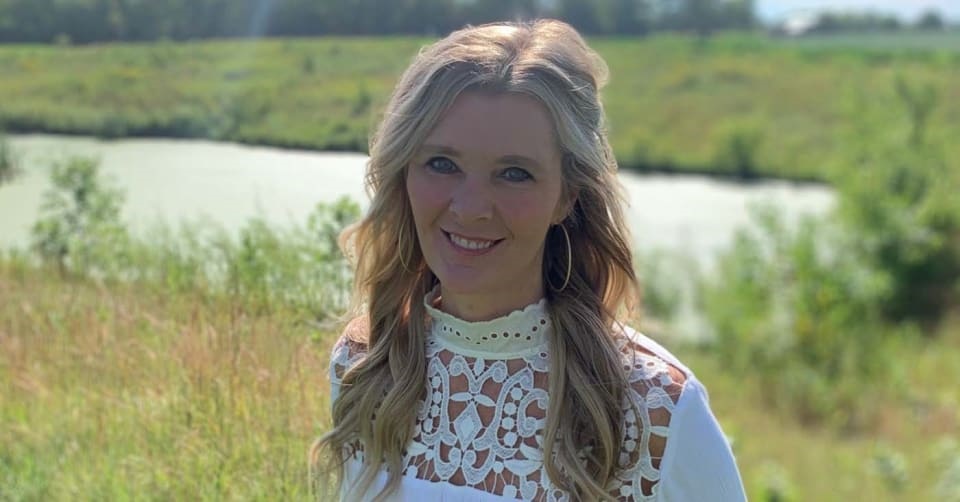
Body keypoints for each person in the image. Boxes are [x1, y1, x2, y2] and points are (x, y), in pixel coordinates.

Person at [312, 19, 746, 501]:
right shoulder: (364, 365)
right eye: (442, 164)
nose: (470, 207)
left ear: (567, 196)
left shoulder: (657, 410)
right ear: (403, 174)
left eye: (514, 173)